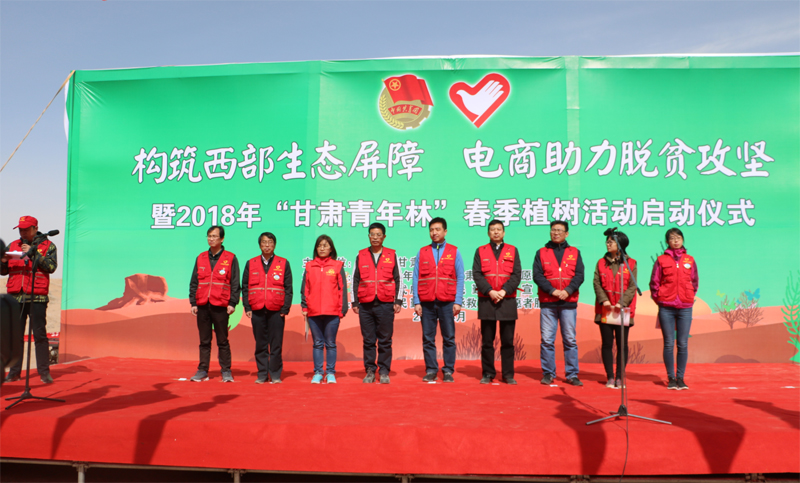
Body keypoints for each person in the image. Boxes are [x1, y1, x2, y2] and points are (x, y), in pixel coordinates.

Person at [1, 216, 58, 384]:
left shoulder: (48, 246)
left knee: (39, 335)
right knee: (16, 337)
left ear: (35, 229)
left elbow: (51, 267)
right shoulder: (12, 246)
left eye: (26, 229)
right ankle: (14, 373)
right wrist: (3, 261)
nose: (23, 232)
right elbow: (3, 271)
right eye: (20, 229)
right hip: (15, 298)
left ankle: (44, 373)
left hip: (37, 297)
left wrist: (34, 254)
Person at [412, 217, 465, 383]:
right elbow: (415, 277)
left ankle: (448, 370)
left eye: (437, 229)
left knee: (449, 337)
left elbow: (460, 276)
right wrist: (416, 301)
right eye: (431, 230)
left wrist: (458, 301)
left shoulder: (454, 251)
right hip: (426, 301)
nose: (434, 233)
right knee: (428, 338)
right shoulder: (423, 251)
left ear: (445, 231)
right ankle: (431, 370)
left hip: (447, 301)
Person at [533, 220, 585, 386]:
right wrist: (552, 291)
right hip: (548, 302)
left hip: (568, 303)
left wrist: (568, 290)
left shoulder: (574, 252)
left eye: (559, 230)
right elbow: (537, 275)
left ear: (566, 233)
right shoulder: (541, 252)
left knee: (570, 340)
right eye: (553, 230)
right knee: (547, 340)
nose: (556, 233)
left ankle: (572, 374)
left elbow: (579, 275)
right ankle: (548, 373)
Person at [472, 220, 521, 385]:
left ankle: (508, 374)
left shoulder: (512, 250)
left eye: (499, 229)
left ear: (504, 232)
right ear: (488, 233)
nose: (496, 232)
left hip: (507, 300)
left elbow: (516, 274)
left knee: (508, 341)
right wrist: (490, 291)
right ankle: (487, 373)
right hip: (487, 300)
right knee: (487, 341)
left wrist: (504, 291)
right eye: (492, 229)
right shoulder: (481, 251)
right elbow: (477, 274)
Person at [188, 226, 240, 383]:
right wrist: (193, 302)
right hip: (203, 304)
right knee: (204, 341)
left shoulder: (230, 258)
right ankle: (202, 370)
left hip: (221, 305)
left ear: (222, 239)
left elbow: (235, 282)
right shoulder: (201, 257)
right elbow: (194, 282)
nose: (211, 239)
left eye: (215, 236)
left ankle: (226, 370)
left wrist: (233, 303)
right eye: (209, 236)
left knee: (222, 340)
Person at [352, 223, 402, 384]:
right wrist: (355, 302)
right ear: (368, 236)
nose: (375, 237)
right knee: (368, 340)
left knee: (385, 340)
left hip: (385, 303)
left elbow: (398, 278)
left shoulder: (392, 254)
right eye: (372, 234)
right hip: (365, 304)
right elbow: (355, 279)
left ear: (384, 237)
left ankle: (384, 371)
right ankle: (370, 370)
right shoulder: (361, 255)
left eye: (378, 234)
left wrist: (398, 300)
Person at [650, 228, 698, 390]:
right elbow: (654, 282)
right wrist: (660, 298)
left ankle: (681, 378)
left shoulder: (690, 259)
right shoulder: (661, 260)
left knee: (683, 343)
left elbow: (695, 281)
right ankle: (671, 378)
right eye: (672, 238)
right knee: (669, 343)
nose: (676, 240)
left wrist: (688, 295)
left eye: (678, 237)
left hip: (685, 307)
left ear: (683, 240)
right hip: (666, 307)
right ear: (667, 242)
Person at [242, 232, 292, 384]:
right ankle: (262, 373)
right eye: (264, 242)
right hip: (257, 308)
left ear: (274, 245)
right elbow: (245, 287)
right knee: (260, 343)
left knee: (276, 344)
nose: (267, 245)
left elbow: (288, 288)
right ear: (260, 245)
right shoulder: (251, 263)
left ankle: (275, 374)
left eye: (270, 242)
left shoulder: (283, 263)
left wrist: (285, 308)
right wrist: (247, 307)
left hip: (276, 309)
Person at [593, 230, 637, 389]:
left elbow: (632, 287)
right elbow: (596, 283)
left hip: (622, 310)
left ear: (620, 244)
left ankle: (619, 377)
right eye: (607, 241)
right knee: (607, 344)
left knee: (622, 345)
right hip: (605, 309)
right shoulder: (600, 262)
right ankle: (610, 377)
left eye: (611, 241)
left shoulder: (631, 263)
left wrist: (621, 303)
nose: (608, 244)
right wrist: (604, 300)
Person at [301, 235, 348, 384]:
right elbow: (305, 289)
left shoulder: (337, 265)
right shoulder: (309, 266)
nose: (322, 248)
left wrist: (342, 309)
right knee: (317, 344)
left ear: (331, 249)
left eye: (325, 245)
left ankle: (331, 373)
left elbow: (342, 289)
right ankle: (318, 373)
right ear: (316, 248)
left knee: (331, 343)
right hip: (313, 312)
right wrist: (305, 306)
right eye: (319, 245)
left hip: (332, 312)